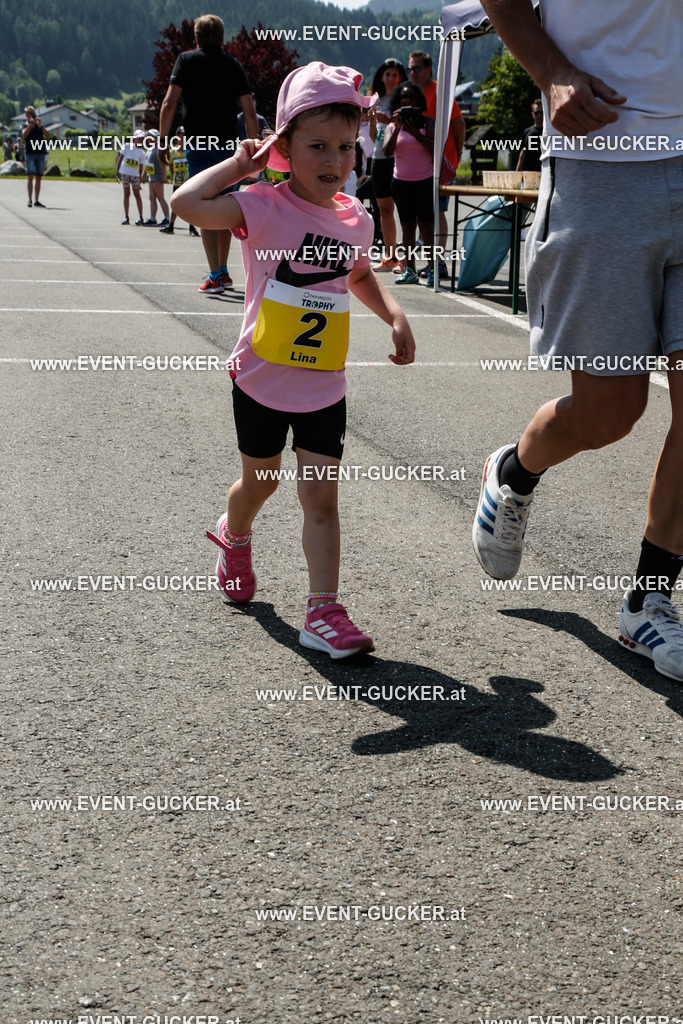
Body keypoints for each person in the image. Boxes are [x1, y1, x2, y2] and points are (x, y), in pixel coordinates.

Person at [171, 61, 417, 658]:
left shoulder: (355, 220)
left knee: (321, 497)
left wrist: (395, 313)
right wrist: (240, 165)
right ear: (283, 146)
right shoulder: (260, 205)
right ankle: (234, 535)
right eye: (316, 147)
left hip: (322, 387)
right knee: (261, 481)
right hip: (259, 378)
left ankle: (323, 610)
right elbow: (185, 202)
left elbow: (358, 275)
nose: (333, 160)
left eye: (344, 147)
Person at [473, 0, 683, 682]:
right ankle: (515, 471)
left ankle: (648, 600)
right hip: (602, 157)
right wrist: (551, 70)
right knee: (610, 412)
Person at [158, 13, 258, 293]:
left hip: (200, 144)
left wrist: (163, 141)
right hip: (228, 147)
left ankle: (215, 274)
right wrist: (253, 148)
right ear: (222, 37)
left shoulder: (186, 60)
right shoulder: (234, 65)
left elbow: (169, 104)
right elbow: (249, 110)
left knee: (203, 205)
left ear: (197, 37)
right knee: (225, 207)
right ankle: (224, 271)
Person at [408, 50, 465, 279]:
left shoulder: (440, 91)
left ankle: (439, 262)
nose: (412, 73)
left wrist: (457, 154)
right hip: (420, 164)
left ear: (429, 69)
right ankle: (432, 262)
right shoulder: (412, 95)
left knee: (438, 211)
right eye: (409, 68)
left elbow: (459, 123)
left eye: (417, 68)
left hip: (441, 162)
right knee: (425, 214)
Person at [383, 82, 435, 286]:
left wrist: (418, 136)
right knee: (407, 228)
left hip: (424, 181)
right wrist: (396, 128)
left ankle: (432, 269)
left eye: (411, 97)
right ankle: (410, 270)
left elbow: (435, 149)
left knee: (425, 226)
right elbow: (387, 151)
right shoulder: (392, 125)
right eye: (403, 97)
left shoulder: (427, 121)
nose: (407, 101)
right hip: (401, 183)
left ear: (418, 101)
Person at [367, 58, 407, 272]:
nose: (391, 78)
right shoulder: (377, 100)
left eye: (395, 75)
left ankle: (406, 260)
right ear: (381, 77)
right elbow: (375, 138)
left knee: (404, 210)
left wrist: (388, 121)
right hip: (379, 158)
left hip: (399, 158)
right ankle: (390, 257)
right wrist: (375, 122)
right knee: (384, 210)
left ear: (400, 77)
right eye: (387, 74)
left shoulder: (404, 99)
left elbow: (404, 128)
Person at [160, 125, 199, 235]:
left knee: (190, 205)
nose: (184, 138)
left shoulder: (190, 151)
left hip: (188, 183)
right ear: (177, 136)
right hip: (177, 182)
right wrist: (174, 177)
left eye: (186, 136)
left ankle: (192, 226)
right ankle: (171, 225)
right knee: (175, 205)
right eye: (182, 136)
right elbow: (171, 167)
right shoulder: (172, 152)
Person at [21, 106, 51, 207]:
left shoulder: (39, 125)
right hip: (30, 153)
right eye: (28, 113)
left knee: (38, 177)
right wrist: (30, 125)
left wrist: (41, 126)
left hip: (40, 153)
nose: (29, 115)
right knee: (30, 176)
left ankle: (36, 200)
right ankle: (29, 199)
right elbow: (24, 134)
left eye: (31, 113)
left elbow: (48, 135)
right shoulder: (24, 125)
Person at [115, 129, 146, 225]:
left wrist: (140, 180)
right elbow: (120, 159)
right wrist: (117, 173)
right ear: (134, 139)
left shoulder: (142, 153)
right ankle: (126, 217)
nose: (140, 141)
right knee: (126, 194)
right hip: (125, 173)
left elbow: (141, 167)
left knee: (137, 194)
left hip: (135, 175)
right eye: (138, 139)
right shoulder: (127, 146)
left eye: (141, 139)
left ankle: (141, 217)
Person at [143, 128, 170, 226]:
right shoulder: (150, 148)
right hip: (151, 177)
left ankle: (167, 218)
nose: (149, 138)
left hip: (158, 176)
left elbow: (163, 164)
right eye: (148, 136)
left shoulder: (159, 148)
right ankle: (152, 218)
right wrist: (143, 175)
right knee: (152, 197)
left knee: (160, 197)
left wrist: (163, 177)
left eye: (151, 136)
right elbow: (148, 163)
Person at [516, 99, 544, 172]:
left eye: (541, 112)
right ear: (532, 114)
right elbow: (522, 152)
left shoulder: (548, 132)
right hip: (528, 172)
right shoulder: (527, 132)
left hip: (543, 171)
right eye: (536, 112)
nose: (539, 115)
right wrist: (517, 172)